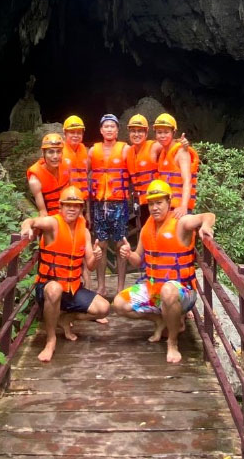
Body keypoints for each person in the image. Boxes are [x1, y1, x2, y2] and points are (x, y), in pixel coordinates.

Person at [113, 179, 215, 364]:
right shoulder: (147, 227)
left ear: (169, 201)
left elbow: (207, 215)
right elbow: (138, 260)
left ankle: (172, 343)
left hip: (182, 291)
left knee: (169, 291)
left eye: (159, 202)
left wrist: (206, 226)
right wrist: (128, 254)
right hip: (154, 288)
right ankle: (161, 320)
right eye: (151, 203)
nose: (155, 208)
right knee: (119, 303)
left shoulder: (180, 221)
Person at [20, 185, 110, 363]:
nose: (71, 208)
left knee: (104, 308)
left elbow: (90, 266)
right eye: (67, 205)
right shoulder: (53, 223)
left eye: (75, 205)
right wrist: (26, 227)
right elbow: (31, 221)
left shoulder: (84, 232)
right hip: (49, 287)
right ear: (60, 207)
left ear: (80, 209)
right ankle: (51, 339)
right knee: (54, 289)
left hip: (73, 287)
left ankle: (65, 318)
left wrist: (97, 256)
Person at [88, 113, 131, 297]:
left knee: (121, 244)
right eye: (106, 126)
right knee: (101, 245)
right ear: (101, 130)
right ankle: (101, 286)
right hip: (99, 204)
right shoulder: (92, 151)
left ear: (117, 130)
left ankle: (121, 287)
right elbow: (84, 176)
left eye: (112, 126)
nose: (109, 129)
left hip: (119, 203)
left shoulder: (125, 149)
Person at [153, 113, 199, 219]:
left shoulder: (182, 152)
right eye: (159, 132)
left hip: (179, 210)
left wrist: (184, 207)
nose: (162, 136)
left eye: (166, 132)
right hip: (167, 208)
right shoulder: (164, 153)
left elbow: (187, 181)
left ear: (173, 132)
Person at [126, 113, 160, 226]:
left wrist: (183, 143)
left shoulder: (154, 147)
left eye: (140, 131)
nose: (136, 134)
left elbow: (170, 144)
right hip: (140, 201)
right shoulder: (128, 152)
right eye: (133, 131)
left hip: (156, 200)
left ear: (146, 133)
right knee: (145, 232)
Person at [26, 132, 70, 215]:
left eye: (58, 151)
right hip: (52, 218)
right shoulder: (35, 179)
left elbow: (72, 193)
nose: (55, 156)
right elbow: (43, 212)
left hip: (70, 213)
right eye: (51, 152)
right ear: (43, 154)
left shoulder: (67, 165)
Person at [62, 115, 90, 208]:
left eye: (79, 133)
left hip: (82, 199)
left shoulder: (84, 150)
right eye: (72, 132)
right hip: (66, 201)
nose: (75, 135)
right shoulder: (58, 151)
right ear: (65, 133)